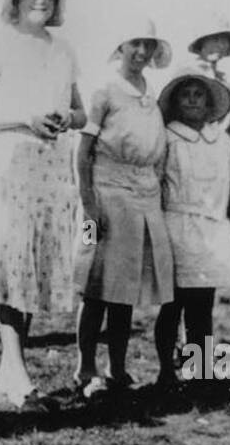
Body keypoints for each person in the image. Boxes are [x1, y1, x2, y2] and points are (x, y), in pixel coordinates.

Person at [0, 0, 84, 412]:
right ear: (15, 0)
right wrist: (26, 119)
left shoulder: (64, 50)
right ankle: (17, 377)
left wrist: (63, 118)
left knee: (33, 270)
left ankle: (9, 374)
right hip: (10, 161)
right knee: (11, 267)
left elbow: (80, 110)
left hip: (52, 165)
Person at [75, 20, 175, 398]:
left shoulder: (152, 94)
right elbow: (82, 152)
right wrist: (89, 207)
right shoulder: (103, 89)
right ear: (120, 46)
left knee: (126, 287)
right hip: (103, 196)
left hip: (143, 198)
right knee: (94, 284)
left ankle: (118, 366)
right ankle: (85, 367)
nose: (141, 53)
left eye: (148, 46)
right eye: (135, 44)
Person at [154, 65, 230, 391]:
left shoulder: (221, 142)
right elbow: (157, 183)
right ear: (176, 103)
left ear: (209, 104)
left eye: (199, 95)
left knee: (202, 307)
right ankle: (166, 372)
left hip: (213, 228)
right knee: (172, 305)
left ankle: (200, 372)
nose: (192, 101)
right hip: (176, 224)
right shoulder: (167, 138)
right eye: (186, 95)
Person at [188, 17, 230, 242]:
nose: (219, 46)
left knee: (227, 218)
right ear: (202, 42)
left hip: (222, 157)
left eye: (223, 41)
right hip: (195, 156)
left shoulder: (226, 82)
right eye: (214, 40)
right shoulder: (188, 73)